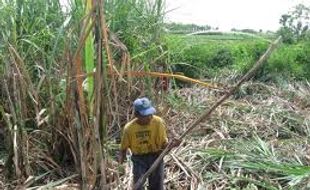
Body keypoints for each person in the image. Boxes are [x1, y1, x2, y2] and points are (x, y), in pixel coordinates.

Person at [119, 97, 180, 190]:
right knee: (138, 185)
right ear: (137, 115)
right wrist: (120, 163)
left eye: (150, 114)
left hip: (156, 156)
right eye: (145, 115)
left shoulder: (158, 123)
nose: (149, 117)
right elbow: (123, 149)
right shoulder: (129, 129)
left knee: (157, 186)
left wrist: (172, 145)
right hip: (139, 159)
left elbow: (163, 145)